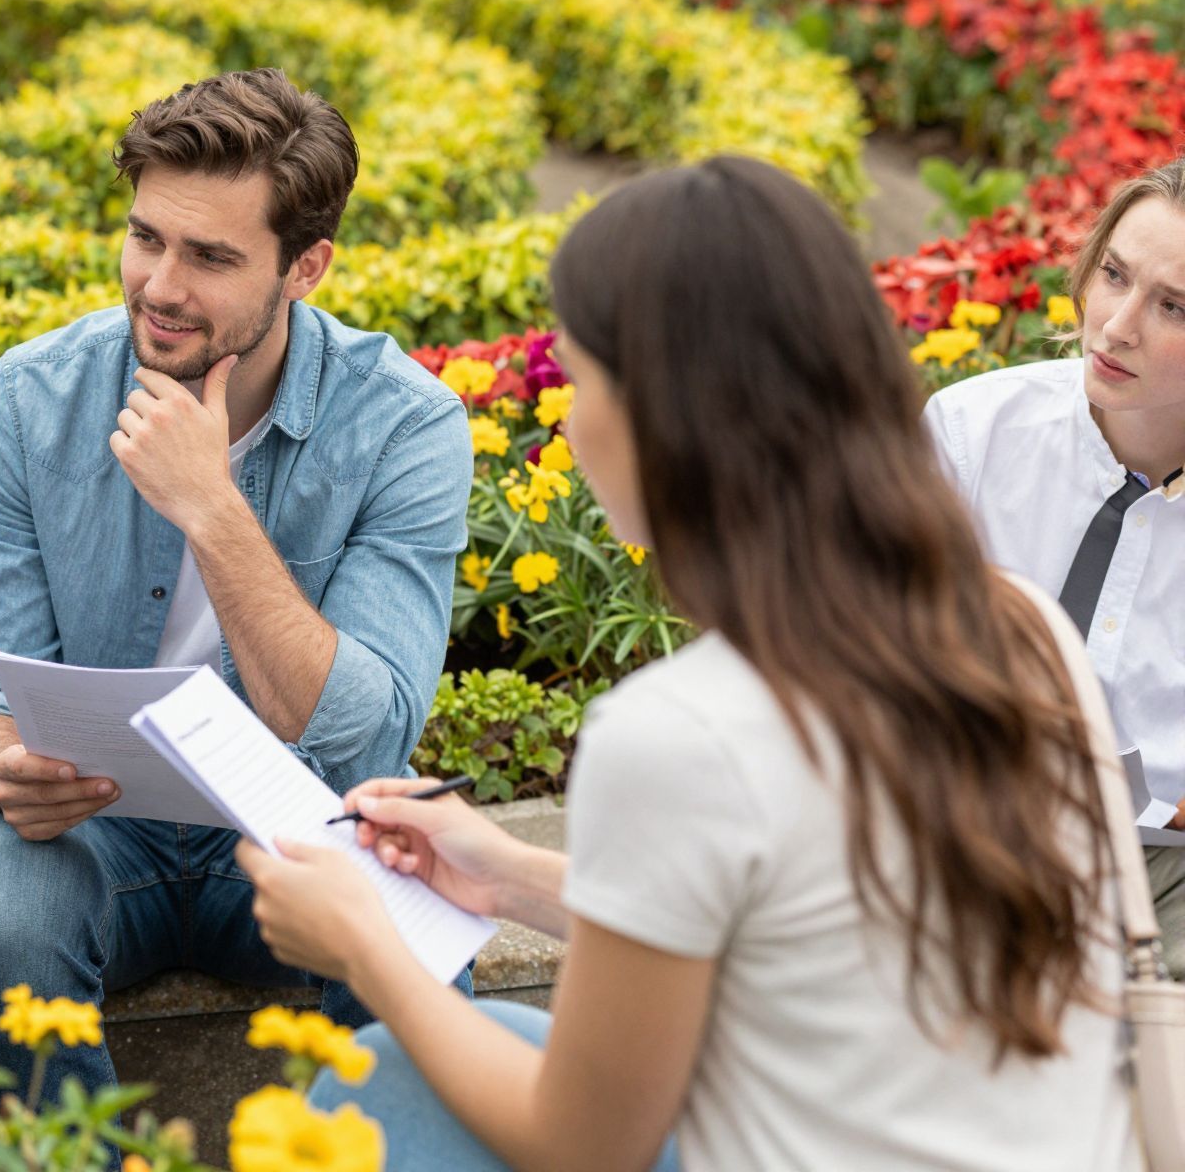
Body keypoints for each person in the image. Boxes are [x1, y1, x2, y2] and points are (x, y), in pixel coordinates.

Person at [239, 158, 1136, 1172]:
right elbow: (805, 931)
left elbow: (578, 1145)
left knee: (378, 1079)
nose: (570, 426)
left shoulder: (686, 727)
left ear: (666, 415)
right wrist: (504, 876)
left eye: (580, 380)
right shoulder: (1013, 626)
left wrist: (363, 941)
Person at [0, 68, 476, 1107]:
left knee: (409, 914)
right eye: (146, 238)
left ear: (304, 266)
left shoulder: (405, 426)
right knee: (1, 900)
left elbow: (363, 737)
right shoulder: (30, 397)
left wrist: (213, 510)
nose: (159, 286)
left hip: (295, 823)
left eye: (210, 257)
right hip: (88, 829)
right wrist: (1, 763)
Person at [923, 154, 1185, 977]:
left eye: (1172, 307)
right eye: (1114, 275)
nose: (1116, 326)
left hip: (1161, 868)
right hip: (961, 824)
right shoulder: (973, 435)